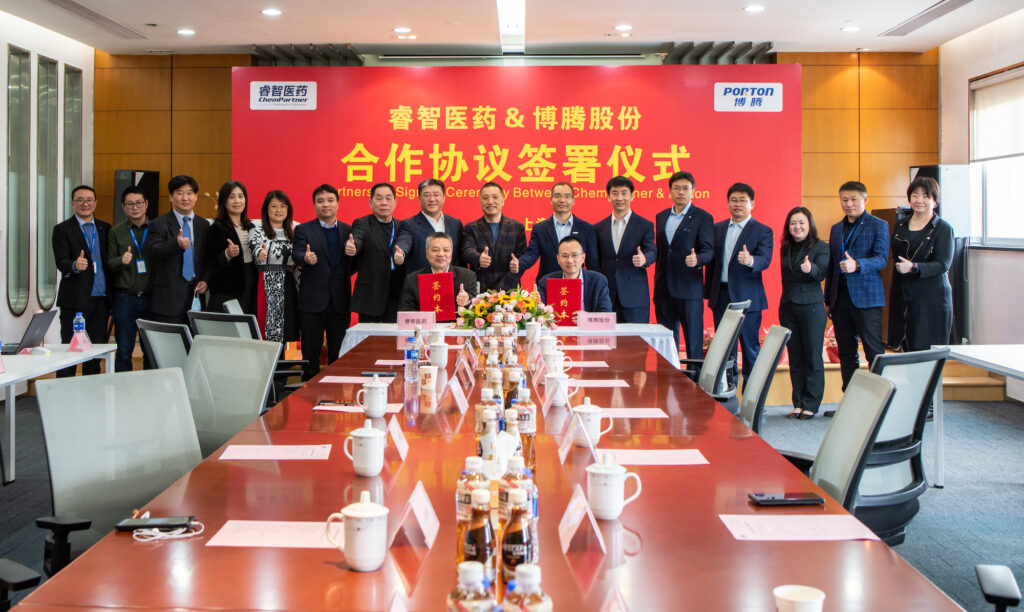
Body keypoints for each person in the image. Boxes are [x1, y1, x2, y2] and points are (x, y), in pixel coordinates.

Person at [824, 180, 889, 411]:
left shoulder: (878, 225)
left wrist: (858, 265)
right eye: (844, 199)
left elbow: (882, 259)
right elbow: (832, 267)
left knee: (874, 352)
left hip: (867, 298)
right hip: (840, 300)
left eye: (853, 199)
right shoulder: (836, 229)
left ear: (865, 199)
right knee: (846, 352)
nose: (848, 204)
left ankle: (879, 405)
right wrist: (827, 300)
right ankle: (850, 404)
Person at [705, 182, 773, 383]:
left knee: (750, 348)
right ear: (727, 203)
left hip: (747, 299)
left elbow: (765, 259)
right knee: (725, 349)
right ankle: (728, 393)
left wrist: (751, 260)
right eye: (733, 200)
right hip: (722, 295)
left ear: (752, 203)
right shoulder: (717, 228)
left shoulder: (762, 230)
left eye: (743, 200)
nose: (738, 204)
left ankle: (752, 399)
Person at [292, 183, 353, 380]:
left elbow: (354, 261)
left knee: (338, 353)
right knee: (310, 354)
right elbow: (298, 252)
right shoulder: (303, 229)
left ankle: (335, 394)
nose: (325, 205)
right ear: (315, 205)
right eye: (320, 201)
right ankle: (307, 398)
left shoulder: (348, 230)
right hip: (312, 301)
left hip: (339, 301)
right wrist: (305, 259)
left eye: (330, 200)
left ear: (337, 203)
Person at [654, 171, 714, 361]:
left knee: (693, 341)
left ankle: (694, 382)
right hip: (663, 288)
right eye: (676, 188)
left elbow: (709, 251)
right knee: (666, 341)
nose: (681, 192)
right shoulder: (661, 216)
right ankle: (668, 381)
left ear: (693, 191)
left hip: (689, 289)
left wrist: (698, 260)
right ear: (669, 191)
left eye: (685, 188)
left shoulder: (702, 217)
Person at [51, 184, 111, 377]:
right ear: (72, 203)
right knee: (70, 352)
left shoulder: (105, 228)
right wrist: (74, 265)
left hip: (100, 299)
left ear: (95, 203)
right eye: (80, 200)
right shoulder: (62, 229)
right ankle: (64, 396)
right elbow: (61, 261)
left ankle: (90, 397)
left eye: (89, 200)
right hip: (75, 300)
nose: (85, 204)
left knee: (94, 354)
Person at [890, 176, 954, 351]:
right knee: (906, 346)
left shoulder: (943, 228)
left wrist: (914, 267)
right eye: (915, 195)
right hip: (904, 294)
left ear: (935, 201)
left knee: (927, 352)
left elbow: (943, 264)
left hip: (931, 298)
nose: (919, 200)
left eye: (926, 196)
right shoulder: (901, 224)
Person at [778, 207, 830, 419]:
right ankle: (798, 402)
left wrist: (812, 270)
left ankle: (811, 403)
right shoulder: (785, 247)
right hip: (788, 306)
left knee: (812, 356)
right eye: (793, 223)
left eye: (801, 223)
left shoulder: (821, 247)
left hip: (812, 307)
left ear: (810, 225)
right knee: (795, 357)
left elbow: (822, 273)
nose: (797, 227)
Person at [593, 176, 656, 323]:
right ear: (608, 197)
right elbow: (595, 262)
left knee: (635, 343)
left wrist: (645, 259)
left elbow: (652, 250)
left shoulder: (644, 225)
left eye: (624, 193)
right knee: (606, 343)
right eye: (615, 193)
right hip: (606, 296)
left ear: (632, 196)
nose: (619, 197)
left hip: (634, 296)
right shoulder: (598, 228)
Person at [105, 185, 154, 372]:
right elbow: (108, 263)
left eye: (139, 203)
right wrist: (121, 260)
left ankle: (151, 391)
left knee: (151, 349)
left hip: (151, 297)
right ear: (123, 207)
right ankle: (123, 393)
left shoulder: (156, 229)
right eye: (130, 204)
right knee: (124, 350)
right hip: (125, 298)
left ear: (146, 204)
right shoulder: (116, 232)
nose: (135, 207)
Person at [149, 175, 210, 324]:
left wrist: (206, 280)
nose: (185, 198)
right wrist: (176, 245)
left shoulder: (203, 225)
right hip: (168, 299)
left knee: (196, 344)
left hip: (196, 295)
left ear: (195, 197)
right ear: (171, 197)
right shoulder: (158, 224)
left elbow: (208, 258)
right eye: (179, 193)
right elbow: (154, 251)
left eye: (189, 193)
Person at [517, 181, 599, 279]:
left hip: (577, 284)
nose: (562, 200)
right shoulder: (540, 229)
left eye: (567, 196)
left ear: (573, 201)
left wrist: (594, 285)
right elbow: (531, 255)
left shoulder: (587, 229)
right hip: (547, 283)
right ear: (551, 200)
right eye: (557, 196)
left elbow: (592, 262)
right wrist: (519, 263)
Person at [348, 182, 404, 322]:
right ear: (370, 203)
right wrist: (353, 246)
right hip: (371, 295)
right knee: (370, 342)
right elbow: (357, 238)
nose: (384, 202)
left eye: (388, 198)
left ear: (395, 202)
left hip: (396, 295)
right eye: (379, 198)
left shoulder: (402, 226)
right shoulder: (362, 223)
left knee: (394, 342)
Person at [248, 190, 299, 344]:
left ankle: (287, 363)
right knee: (267, 324)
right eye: (274, 206)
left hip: (289, 283)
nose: (279, 210)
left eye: (283, 206)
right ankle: (269, 363)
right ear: (266, 209)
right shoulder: (256, 231)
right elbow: (255, 248)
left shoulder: (295, 232)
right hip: (266, 283)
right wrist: (260, 254)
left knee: (289, 325)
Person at [461, 182, 527, 292]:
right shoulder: (471, 228)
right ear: (480, 201)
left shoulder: (517, 227)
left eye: (495, 197)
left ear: (503, 200)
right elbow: (466, 251)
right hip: (480, 291)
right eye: (485, 198)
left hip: (510, 291)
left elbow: (521, 260)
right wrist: (479, 258)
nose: (490, 202)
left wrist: (500, 289)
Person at [204, 181, 258, 314]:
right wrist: (227, 254)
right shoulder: (217, 227)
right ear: (224, 201)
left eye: (241, 196)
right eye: (231, 197)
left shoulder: (251, 226)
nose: (237, 201)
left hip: (250, 282)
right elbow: (212, 260)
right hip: (228, 288)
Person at [395, 178, 464, 274]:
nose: (431, 199)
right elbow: (404, 241)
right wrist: (400, 252)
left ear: (444, 197)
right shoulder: (409, 224)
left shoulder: (455, 224)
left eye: (436, 195)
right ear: (419, 198)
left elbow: (460, 255)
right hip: (422, 282)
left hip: (451, 282)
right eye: (426, 195)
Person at [399, 232, 477, 312]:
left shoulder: (467, 276)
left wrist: (467, 300)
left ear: (451, 253)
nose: (441, 254)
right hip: (425, 324)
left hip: (455, 324)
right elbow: (406, 311)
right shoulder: (412, 279)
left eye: (446, 250)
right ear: (426, 254)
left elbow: (477, 307)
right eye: (435, 250)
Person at [537, 235, 612, 315]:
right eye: (565, 256)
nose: (570, 260)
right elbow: (541, 315)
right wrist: (536, 305)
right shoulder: (546, 282)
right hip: (558, 327)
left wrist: (588, 318)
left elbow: (606, 314)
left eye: (574, 255)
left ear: (583, 258)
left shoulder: (599, 281)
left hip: (588, 327)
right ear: (558, 259)